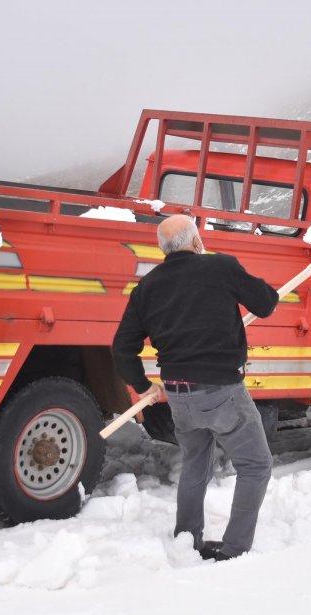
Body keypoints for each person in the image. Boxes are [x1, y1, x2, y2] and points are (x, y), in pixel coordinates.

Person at [112, 215, 278, 561]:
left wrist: (143, 387)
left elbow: (121, 347)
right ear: (197, 240)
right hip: (222, 393)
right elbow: (266, 303)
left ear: (163, 249)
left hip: (178, 396)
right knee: (256, 466)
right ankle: (235, 549)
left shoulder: (148, 287)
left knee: (195, 466)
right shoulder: (220, 267)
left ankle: (187, 539)